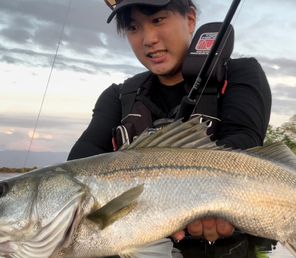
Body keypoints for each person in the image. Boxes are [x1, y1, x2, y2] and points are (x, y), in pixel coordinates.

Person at [68, 0, 271, 243]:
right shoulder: (116, 96)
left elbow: (246, 142)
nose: (148, 39)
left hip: (227, 249)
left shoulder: (241, 72)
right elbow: (79, 166)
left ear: (190, 19)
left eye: (157, 20)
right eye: (133, 28)